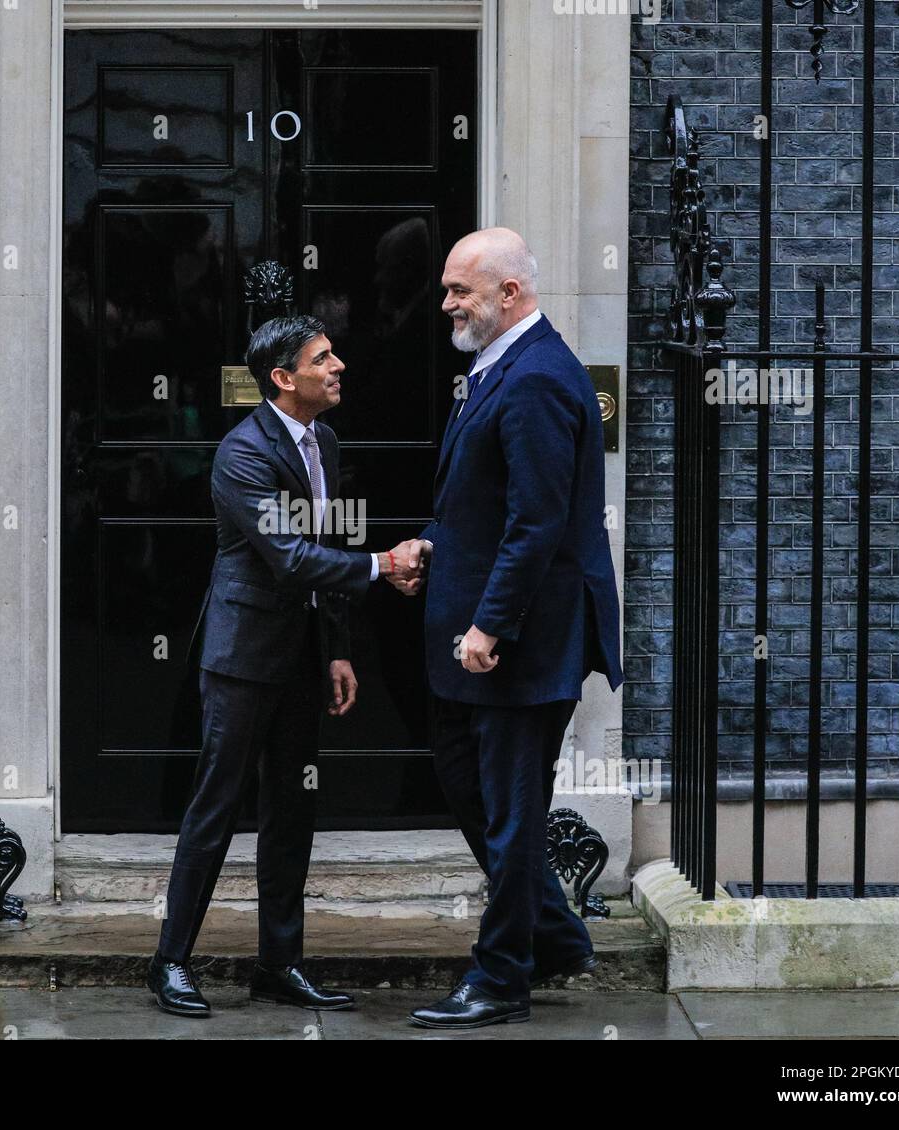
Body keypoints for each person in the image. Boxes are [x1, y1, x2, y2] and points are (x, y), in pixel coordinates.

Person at [146, 313, 426, 1017]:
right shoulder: (242, 454)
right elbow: (292, 556)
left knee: (293, 810)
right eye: (323, 358)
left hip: (302, 657)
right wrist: (381, 564)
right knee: (215, 807)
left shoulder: (323, 442)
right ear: (282, 378)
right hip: (242, 659)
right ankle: (171, 961)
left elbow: (321, 548)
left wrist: (336, 651)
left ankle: (280, 962)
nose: (339, 367)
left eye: (335, 354)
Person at [404, 227, 624, 1029]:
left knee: (510, 811)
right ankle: (556, 935)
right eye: (447, 289)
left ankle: (500, 979)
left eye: (460, 290)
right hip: (475, 630)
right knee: (475, 791)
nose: (447, 305)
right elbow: (489, 503)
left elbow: (537, 523)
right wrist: (439, 543)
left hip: (519, 643)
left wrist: (491, 626)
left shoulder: (535, 378)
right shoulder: (497, 367)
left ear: (510, 293)